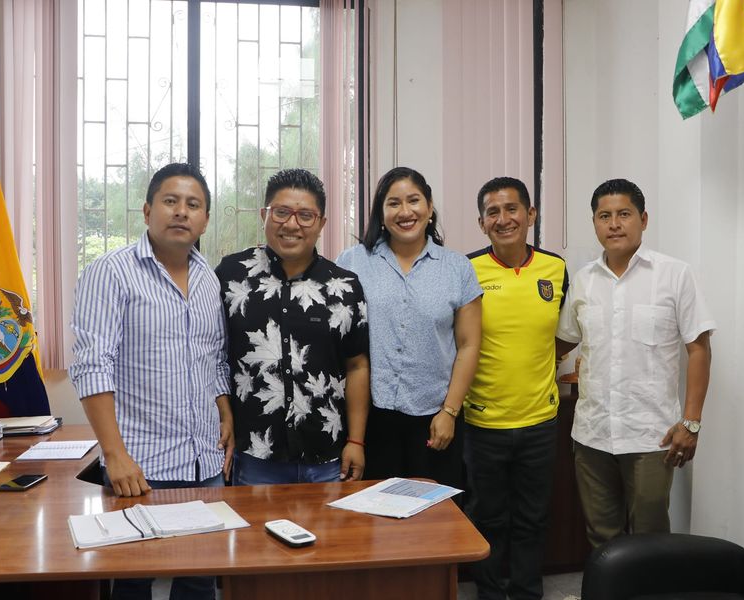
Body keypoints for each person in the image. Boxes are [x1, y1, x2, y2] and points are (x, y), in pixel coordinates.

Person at [70, 162, 233, 600]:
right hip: (140, 470)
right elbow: (92, 365)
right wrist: (114, 455)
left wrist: (225, 411)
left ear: (205, 220)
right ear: (147, 211)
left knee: (199, 580)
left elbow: (215, 359)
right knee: (132, 581)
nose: (181, 211)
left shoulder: (209, 279)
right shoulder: (111, 271)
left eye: (193, 204)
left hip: (204, 465)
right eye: (170, 201)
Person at [556, 178, 715, 548]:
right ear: (594, 223)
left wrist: (691, 422)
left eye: (624, 214)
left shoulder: (674, 274)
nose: (614, 224)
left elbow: (699, 349)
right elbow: (564, 340)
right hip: (592, 434)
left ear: (643, 219)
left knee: (650, 538)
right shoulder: (583, 280)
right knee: (601, 537)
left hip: (651, 435)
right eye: (604, 216)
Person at [216, 168, 370, 485]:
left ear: (321, 223)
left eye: (305, 216)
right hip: (254, 455)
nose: (291, 224)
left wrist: (356, 440)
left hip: (327, 455)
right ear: (264, 215)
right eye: (281, 212)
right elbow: (213, 356)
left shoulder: (345, 286)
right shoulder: (231, 276)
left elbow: (357, 366)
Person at [336, 166, 482, 491]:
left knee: (436, 516)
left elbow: (469, 345)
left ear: (429, 208)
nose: (405, 212)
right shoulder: (352, 263)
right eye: (393, 203)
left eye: (413, 201)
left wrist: (450, 412)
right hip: (369, 419)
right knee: (372, 514)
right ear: (381, 213)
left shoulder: (457, 268)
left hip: (434, 419)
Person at [465, 177, 568, 600]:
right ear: (481, 223)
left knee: (532, 518)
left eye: (512, 209)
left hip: (540, 421)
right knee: (487, 518)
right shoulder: (466, 269)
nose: (503, 219)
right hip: (483, 422)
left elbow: (564, 333)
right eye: (493, 212)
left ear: (531, 215)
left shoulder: (555, 268)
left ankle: (527, 592)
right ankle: (490, 593)